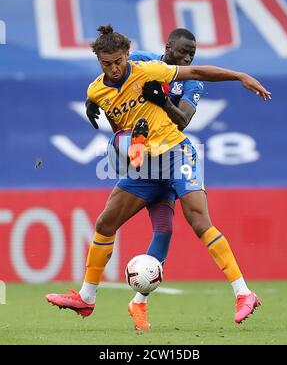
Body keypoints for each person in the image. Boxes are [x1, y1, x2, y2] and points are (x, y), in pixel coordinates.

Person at [46, 25, 271, 331]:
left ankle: (244, 293)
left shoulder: (148, 70)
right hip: (146, 166)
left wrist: (240, 76)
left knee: (199, 222)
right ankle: (88, 298)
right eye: (106, 64)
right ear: (99, 61)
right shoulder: (98, 88)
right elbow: (117, 126)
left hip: (177, 154)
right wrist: (95, 103)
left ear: (127, 55)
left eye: (118, 62)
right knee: (108, 223)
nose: (114, 69)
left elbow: (198, 75)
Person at [85, 28, 205, 330]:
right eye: (182, 53)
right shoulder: (142, 62)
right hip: (145, 158)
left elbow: (184, 121)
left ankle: (138, 302)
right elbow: (110, 82)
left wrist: (163, 103)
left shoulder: (192, 81)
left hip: (168, 153)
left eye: (191, 54)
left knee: (164, 230)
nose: (186, 58)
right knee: (123, 147)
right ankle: (133, 145)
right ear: (168, 49)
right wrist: (93, 100)